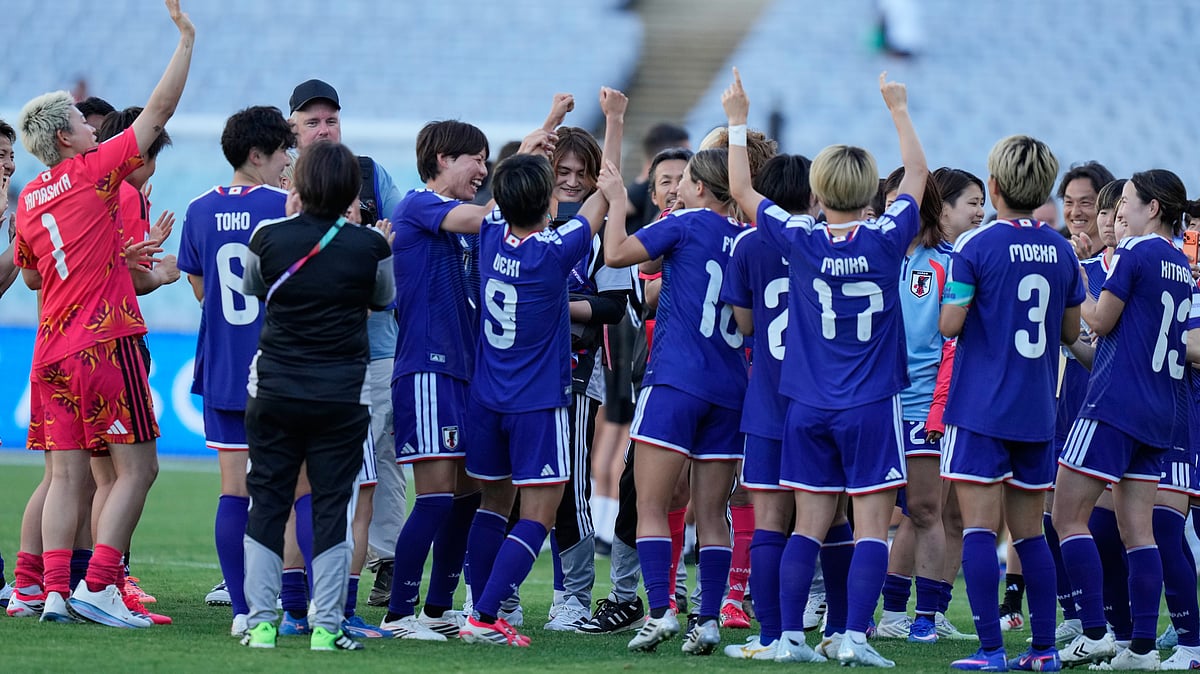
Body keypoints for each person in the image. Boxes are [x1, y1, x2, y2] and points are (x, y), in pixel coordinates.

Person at [725, 68, 926, 668]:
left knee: (805, 528)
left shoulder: (800, 239)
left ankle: (786, 638)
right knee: (869, 527)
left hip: (806, 405)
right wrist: (897, 109)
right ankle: (853, 638)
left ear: (817, 192)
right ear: (871, 192)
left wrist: (737, 119)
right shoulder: (888, 236)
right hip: (869, 405)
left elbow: (741, 189)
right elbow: (916, 175)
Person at [11, 0, 194, 628]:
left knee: (64, 477)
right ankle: (102, 584)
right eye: (87, 128)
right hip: (104, 342)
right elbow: (159, 111)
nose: (98, 131)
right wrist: (186, 41)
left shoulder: (29, 198)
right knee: (139, 468)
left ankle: (53, 592)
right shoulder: (93, 174)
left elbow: (34, 273)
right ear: (67, 138)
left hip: (49, 351)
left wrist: (111, 253)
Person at [458, 154, 622, 647]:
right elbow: (597, 208)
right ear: (549, 203)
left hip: (487, 399)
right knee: (539, 514)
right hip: (537, 403)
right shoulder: (552, 250)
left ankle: (474, 604)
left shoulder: (488, 234)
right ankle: (486, 616)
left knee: (492, 504)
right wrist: (612, 177)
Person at [239, 141, 394, 652]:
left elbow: (254, 285)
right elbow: (382, 298)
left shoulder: (268, 236)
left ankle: (262, 624)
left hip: (276, 388)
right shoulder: (372, 246)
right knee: (332, 506)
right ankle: (327, 627)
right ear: (352, 190)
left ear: (297, 185)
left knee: (267, 501)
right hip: (340, 394)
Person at [938, 135, 1083, 671]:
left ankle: (991, 652)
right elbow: (1072, 331)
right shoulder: (1062, 249)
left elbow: (951, 324)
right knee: (1029, 534)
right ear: (1045, 189)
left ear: (993, 187)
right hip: (1037, 411)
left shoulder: (974, 247)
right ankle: (1044, 651)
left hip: (980, 409)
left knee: (978, 530)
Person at [604, 139, 750, 655]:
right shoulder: (750, 238)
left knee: (651, 505)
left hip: (674, 382)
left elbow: (616, 254)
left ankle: (661, 610)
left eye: (685, 178)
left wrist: (618, 201)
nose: (676, 186)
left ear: (702, 188)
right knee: (714, 513)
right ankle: (707, 620)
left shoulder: (686, 224)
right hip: (731, 389)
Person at [1052, 171, 1198, 670]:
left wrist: (1073, 274)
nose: (1116, 212)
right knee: (1141, 534)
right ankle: (1139, 649)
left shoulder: (1136, 252)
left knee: (1066, 515)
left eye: (1127, 201)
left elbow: (1097, 321)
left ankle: (1094, 632)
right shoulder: (1181, 263)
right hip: (1160, 412)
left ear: (1153, 208)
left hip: (1114, 404)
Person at [286, 78, 402, 637]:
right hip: (314, 360)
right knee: (309, 485)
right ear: (293, 130)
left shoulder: (372, 174)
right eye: (312, 121)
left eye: (331, 119)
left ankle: (371, 571)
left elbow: (401, 233)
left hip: (371, 354)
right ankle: (301, 596)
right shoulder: (281, 184)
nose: (325, 128)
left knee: (370, 475)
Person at [176, 105, 294, 637]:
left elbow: (201, 291)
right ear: (257, 155)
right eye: (283, 151)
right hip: (278, 368)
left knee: (233, 490)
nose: (288, 161)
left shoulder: (199, 209)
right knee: (293, 492)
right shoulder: (284, 207)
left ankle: (244, 610)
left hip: (223, 368)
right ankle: (298, 605)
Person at [719, 152, 816, 660]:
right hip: (824, 398)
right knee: (832, 522)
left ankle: (774, 634)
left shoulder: (749, 243)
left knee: (770, 521)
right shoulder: (828, 240)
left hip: (769, 399)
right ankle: (844, 630)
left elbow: (747, 324)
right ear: (813, 195)